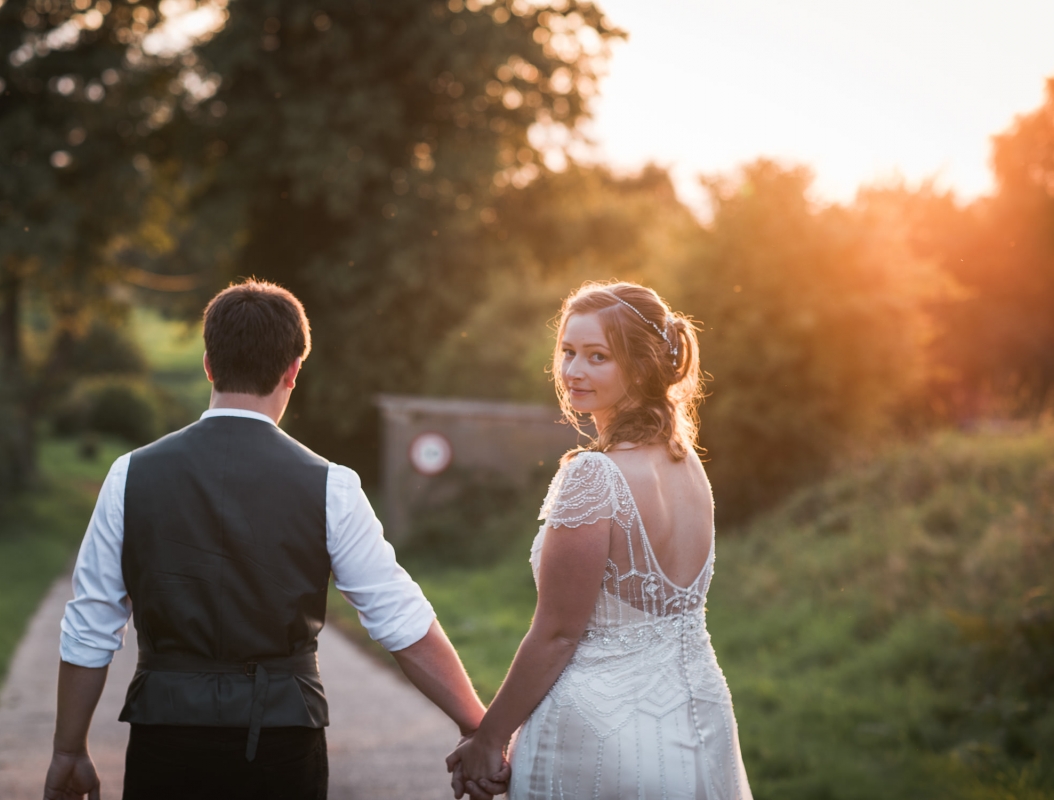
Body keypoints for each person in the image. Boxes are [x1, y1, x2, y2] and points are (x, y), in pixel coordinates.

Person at [42, 279, 508, 800]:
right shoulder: (331, 485)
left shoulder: (130, 475)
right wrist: (479, 727)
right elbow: (401, 622)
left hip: (167, 737)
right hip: (283, 745)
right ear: (292, 370)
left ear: (208, 365)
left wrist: (68, 750)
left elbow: (90, 625)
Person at [446, 281, 754, 799]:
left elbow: (558, 634)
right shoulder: (689, 466)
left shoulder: (596, 475)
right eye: (567, 352)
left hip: (599, 738)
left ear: (640, 365)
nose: (573, 371)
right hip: (699, 725)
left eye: (597, 356)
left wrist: (490, 738)